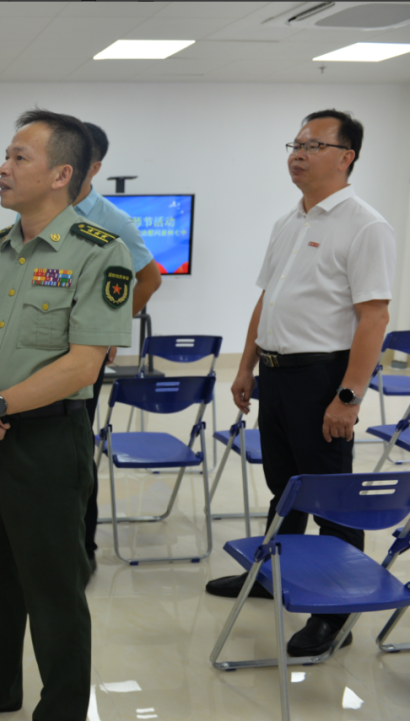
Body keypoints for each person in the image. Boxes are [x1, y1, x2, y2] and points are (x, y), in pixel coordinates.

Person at [0, 110, 133, 721]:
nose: (3, 167)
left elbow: (82, 365)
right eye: (6, 155)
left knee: (52, 586)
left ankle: (63, 708)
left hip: (48, 440)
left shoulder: (100, 252)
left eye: (19, 157)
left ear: (61, 174)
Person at [205, 109, 395, 657]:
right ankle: (271, 575)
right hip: (277, 374)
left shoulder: (366, 226)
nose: (298, 154)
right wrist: (247, 366)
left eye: (313, 145)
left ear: (346, 156)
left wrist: (348, 397)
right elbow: (268, 300)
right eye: (295, 144)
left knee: (332, 499)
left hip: (323, 377)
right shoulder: (289, 222)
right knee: (285, 486)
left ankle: (336, 613)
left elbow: (374, 318)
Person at [70, 122, 162, 572]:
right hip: (32, 355)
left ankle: (82, 548)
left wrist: (109, 330)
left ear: (93, 167)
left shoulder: (112, 220)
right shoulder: (36, 211)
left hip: (80, 358)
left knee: (76, 453)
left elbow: (149, 279)